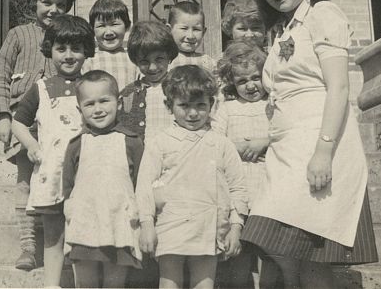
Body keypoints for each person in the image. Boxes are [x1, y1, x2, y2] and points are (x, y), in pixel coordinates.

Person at [239, 0, 378, 288]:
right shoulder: (285, 29)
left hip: (318, 148)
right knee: (287, 253)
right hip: (287, 152)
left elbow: (339, 88)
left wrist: (324, 152)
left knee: (310, 258)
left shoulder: (323, 14)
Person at [136, 65, 248, 289]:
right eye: (184, 106)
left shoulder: (221, 144)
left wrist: (236, 226)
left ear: (212, 105)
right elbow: (145, 187)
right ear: (169, 106)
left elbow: (238, 188)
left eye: (200, 105)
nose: (193, 113)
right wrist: (146, 224)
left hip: (209, 227)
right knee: (169, 284)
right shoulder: (160, 142)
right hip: (171, 224)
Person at [0, 0, 74, 270]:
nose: (52, 9)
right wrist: (3, 116)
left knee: (58, 179)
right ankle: (28, 246)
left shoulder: (67, 37)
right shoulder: (18, 34)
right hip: (22, 120)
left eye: (60, 3)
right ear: (34, 3)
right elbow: (2, 75)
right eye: (46, 2)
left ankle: (63, 244)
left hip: (57, 120)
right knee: (26, 181)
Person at [11, 14, 94, 288]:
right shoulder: (41, 88)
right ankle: (52, 285)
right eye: (61, 49)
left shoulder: (92, 86)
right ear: (50, 50)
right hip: (52, 171)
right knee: (54, 235)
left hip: (85, 174)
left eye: (76, 49)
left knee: (83, 236)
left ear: (86, 51)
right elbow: (18, 122)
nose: (68, 56)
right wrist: (32, 145)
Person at [62, 70, 144, 288]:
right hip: (85, 224)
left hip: (119, 224)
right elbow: (68, 187)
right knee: (86, 282)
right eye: (89, 104)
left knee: (114, 283)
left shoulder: (132, 142)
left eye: (104, 101)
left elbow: (140, 184)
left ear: (118, 103)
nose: (98, 109)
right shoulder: (76, 145)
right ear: (79, 109)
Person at [213, 41, 273, 289]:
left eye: (256, 78)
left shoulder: (271, 106)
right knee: (239, 248)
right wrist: (236, 148)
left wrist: (263, 142)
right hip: (238, 186)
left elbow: (283, 135)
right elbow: (215, 140)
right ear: (232, 83)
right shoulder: (227, 108)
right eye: (242, 81)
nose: (250, 86)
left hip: (267, 184)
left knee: (267, 248)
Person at [118, 21, 178, 140]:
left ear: (169, 56)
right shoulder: (129, 92)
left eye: (159, 59)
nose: (152, 67)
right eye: (144, 61)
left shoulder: (180, 86)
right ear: (136, 60)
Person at [81, 0, 140, 90]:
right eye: (101, 26)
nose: (108, 32)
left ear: (127, 26)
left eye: (114, 24)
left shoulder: (133, 58)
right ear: (92, 29)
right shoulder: (90, 59)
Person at [167, 0, 216, 75]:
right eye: (184, 28)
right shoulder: (164, 62)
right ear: (169, 30)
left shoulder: (208, 62)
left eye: (196, 29)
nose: (190, 36)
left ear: (204, 32)